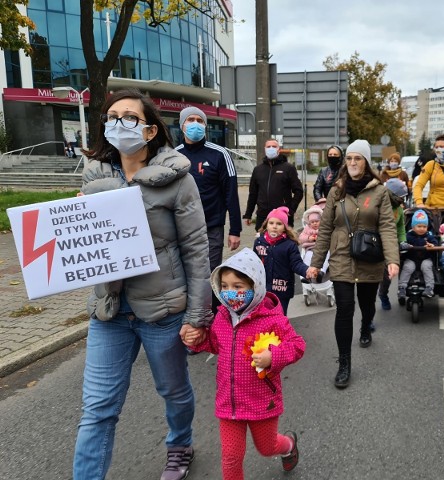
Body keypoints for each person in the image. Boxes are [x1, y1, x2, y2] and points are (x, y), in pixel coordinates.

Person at [73, 89, 212, 480]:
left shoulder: (178, 180)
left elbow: (197, 250)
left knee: (174, 391)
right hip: (111, 310)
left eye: (129, 117)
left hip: (164, 311)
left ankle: (180, 445)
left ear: (150, 130)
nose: (118, 123)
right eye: (111, 116)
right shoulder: (94, 176)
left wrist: (197, 315)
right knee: (98, 408)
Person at [182, 248, 306, 479]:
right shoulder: (222, 316)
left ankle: (288, 445)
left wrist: (273, 356)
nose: (230, 293)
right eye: (225, 286)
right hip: (228, 403)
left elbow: (297, 345)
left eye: (238, 287)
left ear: (255, 286)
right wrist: (198, 339)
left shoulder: (273, 319)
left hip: (262, 401)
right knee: (230, 458)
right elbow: (216, 344)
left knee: (267, 448)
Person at [307, 139, 400, 389]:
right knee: (344, 309)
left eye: (357, 158)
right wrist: (316, 263)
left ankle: (366, 326)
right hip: (341, 257)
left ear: (366, 162)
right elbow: (325, 227)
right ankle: (344, 363)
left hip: (370, 258)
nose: (352, 163)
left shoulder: (379, 191)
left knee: (367, 304)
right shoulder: (336, 190)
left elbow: (387, 228)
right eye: (349, 159)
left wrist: (392, 259)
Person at [175, 106, 242, 308]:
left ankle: (212, 319)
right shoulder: (173, 156)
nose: (195, 124)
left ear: (205, 125)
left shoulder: (220, 154)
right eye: (190, 120)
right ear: (182, 125)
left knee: (209, 275)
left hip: (211, 227)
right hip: (181, 229)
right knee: (184, 276)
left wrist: (235, 230)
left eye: (200, 120)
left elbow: (231, 193)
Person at [253, 206, 311, 315]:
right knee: (263, 316)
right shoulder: (259, 242)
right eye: (271, 223)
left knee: (279, 316)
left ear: (285, 227)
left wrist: (306, 271)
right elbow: (254, 263)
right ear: (266, 224)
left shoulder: (290, 245)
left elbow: (296, 263)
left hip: (282, 289)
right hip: (262, 289)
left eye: (279, 224)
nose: (274, 226)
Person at [243, 139, 303, 231]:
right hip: (263, 215)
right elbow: (253, 194)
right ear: (265, 149)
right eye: (268, 146)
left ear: (279, 149)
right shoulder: (258, 170)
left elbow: (299, 191)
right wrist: (248, 214)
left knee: (283, 243)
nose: (271, 148)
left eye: (274, 146)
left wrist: (291, 209)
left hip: (282, 215)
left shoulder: (288, 168)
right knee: (262, 243)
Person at [377, 178, 408, 311]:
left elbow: (401, 229)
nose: (402, 200)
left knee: (387, 276)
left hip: (390, 247)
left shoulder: (399, 210)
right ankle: (368, 318)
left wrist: (402, 241)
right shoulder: (377, 205)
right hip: (374, 245)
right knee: (370, 280)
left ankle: (383, 294)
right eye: (400, 197)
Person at [398, 209, 438, 299]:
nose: (422, 229)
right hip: (411, 258)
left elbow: (435, 243)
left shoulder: (428, 236)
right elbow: (402, 243)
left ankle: (429, 287)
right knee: (407, 267)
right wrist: (406, 245)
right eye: (419, 226)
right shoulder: (408, 235)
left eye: (424, 226)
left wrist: (432, 245)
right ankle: (402, 287)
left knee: (427, 267)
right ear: (413, 227)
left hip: (425, 258)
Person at [299, 204, 329, 280]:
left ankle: (321, 272)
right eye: (312, 222)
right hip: (310, 248)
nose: (315, 223)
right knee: (307, 258)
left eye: (317, 221)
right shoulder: (307, 229)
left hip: (322, 248)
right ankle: (306, 274)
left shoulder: (323, 228)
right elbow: (301, 238)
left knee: (326, 258)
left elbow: (328, 236)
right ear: (309, 222)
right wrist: (309, 238)